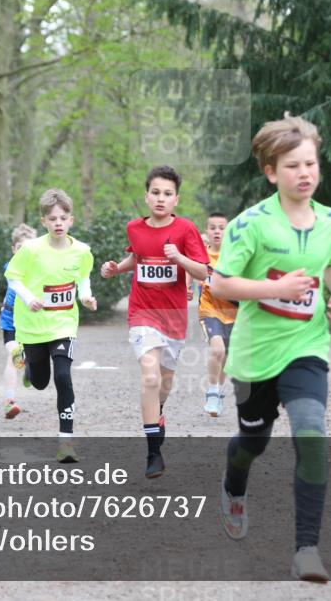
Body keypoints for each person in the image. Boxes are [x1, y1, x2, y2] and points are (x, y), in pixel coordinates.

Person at [209, 113, 331, 583]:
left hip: (307, 346)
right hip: (253, 355)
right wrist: (276, 290)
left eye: (310, 163)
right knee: (253, 441)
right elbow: (222, 283)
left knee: (311, 433)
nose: (304, 173)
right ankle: (233, 485)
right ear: (271, 171)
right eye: (292, 166)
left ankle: (307, 549)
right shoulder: (251, 224)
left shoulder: (330, 219)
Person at [100, 165, 209, 478]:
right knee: (149, 376)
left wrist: (180, 259)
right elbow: (138, 257)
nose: (161, 198)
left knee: (164, 382)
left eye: (168, 194)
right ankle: (153, 452)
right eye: (156, 192)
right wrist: (116, 269)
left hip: (173, 316)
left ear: (176, 199)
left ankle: (157, 412)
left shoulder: (186, 230)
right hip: (142, 312)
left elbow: (204, 272)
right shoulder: (134, 228)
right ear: (147, 196)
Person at [5, 189, 97, 463]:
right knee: (40, 381)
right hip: (32, 325)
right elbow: (13, 277)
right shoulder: (31, 249)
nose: (58, 222)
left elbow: (83, 278)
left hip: (63, 324)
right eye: (53, 218)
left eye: (63, 217)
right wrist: (28, 297)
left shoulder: (82, 251)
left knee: (63, 376)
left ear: (71, 220)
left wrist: (85, 296)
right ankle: (28, 366)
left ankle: (65, 442)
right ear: (44, 221)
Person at [198, 213, 237, 417]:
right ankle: (212, 392)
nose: (217, 231)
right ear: (207, 231)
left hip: (234, 313)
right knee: (218, 350)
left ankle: (218, 393)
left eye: (221, 228)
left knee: (226, 357)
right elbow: (190, 268)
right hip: (209, 309)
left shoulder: (236, 254)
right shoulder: (201, 255)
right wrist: (188, 286)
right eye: (212, 227)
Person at [0, 223, 37, 419]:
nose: (24, 253)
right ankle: (9, 402)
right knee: (14, 354)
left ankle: (30, 369)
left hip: (32, 321)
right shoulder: (11, 267)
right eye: (20, 248)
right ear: (13, 249)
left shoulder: (39, 269)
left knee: (27, 359)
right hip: (10, 319)